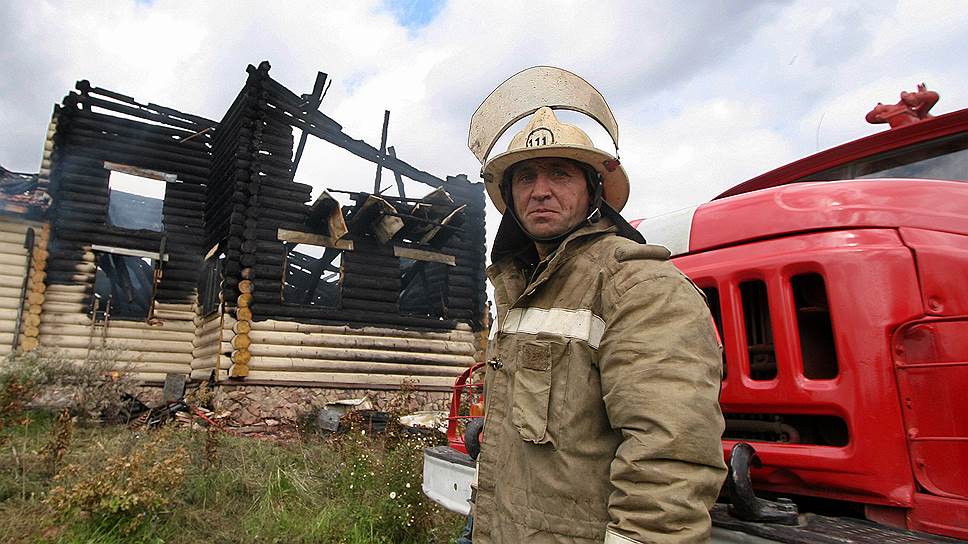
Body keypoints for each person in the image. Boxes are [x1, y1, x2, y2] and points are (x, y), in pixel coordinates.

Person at [466, 67, 726, 543]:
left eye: (560, 173)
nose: (540, 190)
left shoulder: (638, 286)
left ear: (594, 191)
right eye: (525, 176)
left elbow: (668, 458)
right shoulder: (522, 288)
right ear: (509, 195)